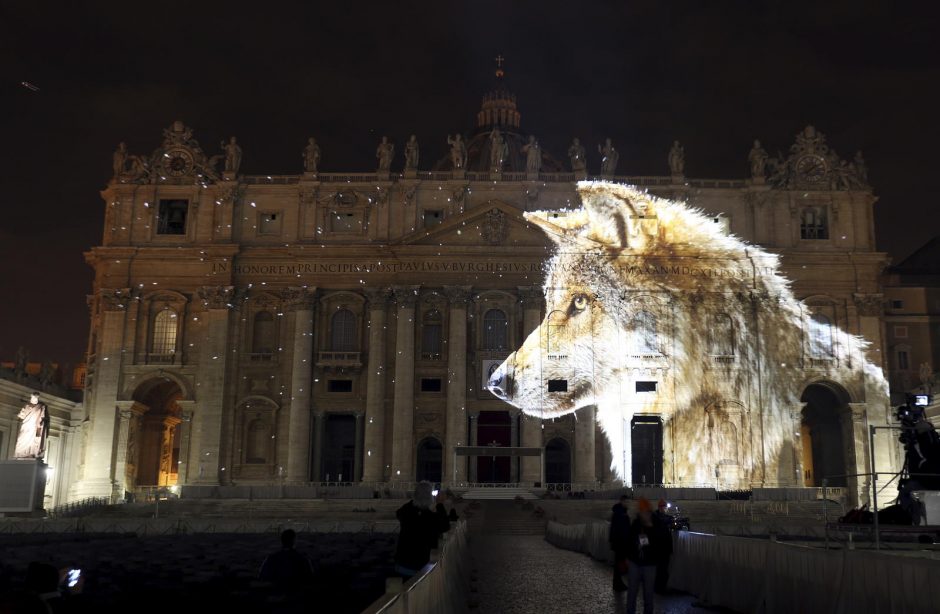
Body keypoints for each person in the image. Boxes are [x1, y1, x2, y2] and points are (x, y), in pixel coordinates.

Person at [394, 481, 449, 578]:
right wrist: (439, 504)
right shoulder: (431, 518)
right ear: (430, 498)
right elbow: (445, 526)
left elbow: (399, 512)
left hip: (403, 565)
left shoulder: (406, 513)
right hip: (422, 567)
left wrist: (415, 499)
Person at [625, 498, 666, 614]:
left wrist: (650, 527)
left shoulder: (657, 524)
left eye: (645, 511)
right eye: (641, 511)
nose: (643, 514)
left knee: (648, 595)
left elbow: (660, 543)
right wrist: (628, 557)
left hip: (650, 564)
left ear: (649, 511)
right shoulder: (636, 524)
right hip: (635, 562)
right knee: (632, 593)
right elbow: (629, 541)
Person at [609, 495, 630, 591]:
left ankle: (618, 583)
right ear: (622, 501)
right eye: (627, 502)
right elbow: (621, 530)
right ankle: (617, 584)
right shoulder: (620, 513)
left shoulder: (619, 512)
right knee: (618, 563)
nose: (628, 504)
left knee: (618, 563)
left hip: (618, 542)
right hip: (620, 542)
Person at [652, 499, 674, 594]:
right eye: (663, 507)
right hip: (659, 547)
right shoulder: (655, 517)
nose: (664, 508)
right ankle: (660, 588)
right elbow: (662, 522)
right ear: (660, 507)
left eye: (665, 507)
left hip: (664, 547)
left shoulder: (664, 517)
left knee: (663, 569)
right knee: (661, 569)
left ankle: (660, 587)